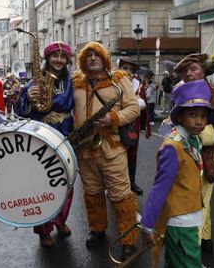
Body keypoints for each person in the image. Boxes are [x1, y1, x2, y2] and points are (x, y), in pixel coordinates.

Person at [71, 41, 140, 259]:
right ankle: (97, 230)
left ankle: (129, 239)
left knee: (120, 195)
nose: (92, 58)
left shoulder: (119, 79)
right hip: (84, 149)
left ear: (104, 59)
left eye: (97, 55)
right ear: (83, 60)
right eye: (88, 55)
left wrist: (113, 117)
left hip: (112, 147)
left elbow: (134, 107)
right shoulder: (76, 81)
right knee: (92, 193)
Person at [141, 80, 214, 268]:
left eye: (203, 115)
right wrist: (148, 223)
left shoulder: (192, 140)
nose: (199, 121)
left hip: (189, 215)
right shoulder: (173, 146)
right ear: (180, 116)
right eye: (193, 115)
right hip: (180, 219)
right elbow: (160, 187)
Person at [18, 41, 75, 247]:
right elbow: (20, 111)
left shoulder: (74, 80)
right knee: (41, 183)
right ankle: (44, 230)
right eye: (54, 56)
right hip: (41, 137)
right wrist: (26, 96)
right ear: (47, 59)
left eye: (63, 57)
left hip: (65, 135)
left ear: (67, 60)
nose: (58, 60)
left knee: (66, 182)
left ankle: (60, 221)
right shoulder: (35, 81)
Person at [172, 52, 214, 253]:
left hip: (206, 157)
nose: (189, 73)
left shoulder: (213, 94)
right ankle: (206, 238)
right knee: (199, 200)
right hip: (185, 154)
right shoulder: (181, 91)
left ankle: (192, 250)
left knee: (197, 203)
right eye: (185, 70)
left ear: (203, 71)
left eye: (194, 68)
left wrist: (198, 132)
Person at [118, 56, 145, 195]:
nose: (127, 71)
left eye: (130, 69)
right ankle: (116, 183)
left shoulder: (137, 85)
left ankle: (131, 181)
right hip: (117, 123)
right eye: (125, 68)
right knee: (117, 153)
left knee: (132, 153)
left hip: (133, 124)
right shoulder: (114, 82)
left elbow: (143, 103)